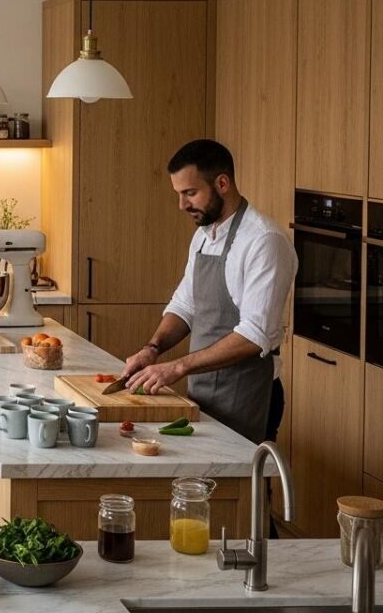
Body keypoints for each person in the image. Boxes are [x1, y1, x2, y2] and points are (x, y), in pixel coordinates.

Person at [123, 139, 297, 446]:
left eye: (190, 193)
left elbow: (253, 334)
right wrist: (153, 348)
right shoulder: (204, 235)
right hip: (203, 388)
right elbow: (185, 304)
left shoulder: (264, 241)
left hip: (248, 394)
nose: (182, 205)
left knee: (241, 490)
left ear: (222, 183)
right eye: (179, 194)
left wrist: (177, 366)